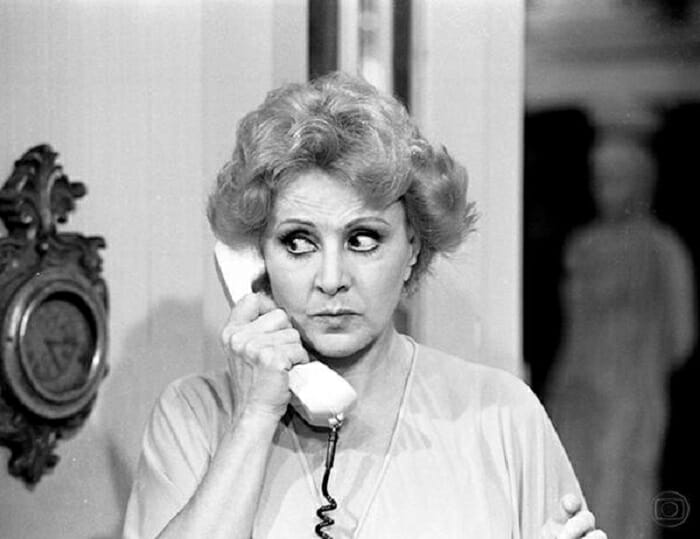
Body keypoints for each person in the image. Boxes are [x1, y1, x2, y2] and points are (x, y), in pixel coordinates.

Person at [123, 72, 606, 538]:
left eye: (363, 239)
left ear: (413, 246)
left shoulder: (501, 414)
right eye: (298, 243)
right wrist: (254, 417)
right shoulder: (194, 416)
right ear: (256, 258)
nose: (332, 280)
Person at [545, 133, 696, 538]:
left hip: (631, 390)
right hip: (577, 388)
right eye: (599, 179)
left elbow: (682, 336)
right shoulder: (584, 245)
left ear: (641, 182)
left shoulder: (662, 248)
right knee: (572, 489)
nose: (604, 190)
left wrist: (638, 369)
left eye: (615, 179)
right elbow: (574, 325)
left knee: (622, 487)